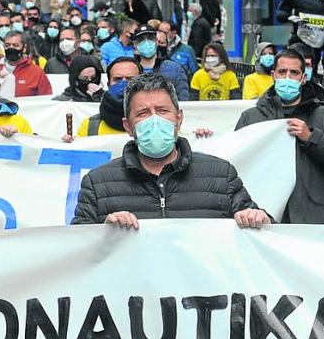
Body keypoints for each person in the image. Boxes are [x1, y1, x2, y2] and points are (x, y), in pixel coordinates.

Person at [71, 73, 272, 229]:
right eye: (142, 113)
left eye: (162, 110)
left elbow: (263, 235)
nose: (154, 120)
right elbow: (77, 248)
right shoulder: (97, 184)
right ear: (128, 126)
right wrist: (104, 232)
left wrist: (260, 218)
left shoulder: (221, 175)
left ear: (179, 118)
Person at [236, 49, 324, 224]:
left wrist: (312, 138)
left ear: (303, 77)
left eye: (294, 73)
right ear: (273, 75)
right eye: (282, 72)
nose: (287, 77)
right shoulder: (251, 117)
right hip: (261, 214)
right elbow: (235, 165)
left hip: (311, 214)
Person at [72, 57, 141, 140]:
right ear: (108, 85)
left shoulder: (155, 124)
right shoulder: (90, 126)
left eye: (131, 79)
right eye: (117, 79)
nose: (124, 84)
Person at [131, 28, 189, 101]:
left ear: (156, 41)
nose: (146, 42)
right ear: (135, 44)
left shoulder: (174, 69)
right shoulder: (130, 70)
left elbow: (183, 99)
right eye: (141, 40)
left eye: (150, 38)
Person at [0, 29, 52, 97]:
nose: (11, 48)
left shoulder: (37, 72)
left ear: (24, 48)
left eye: (15, 45)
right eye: (7, 45)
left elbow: (47, 99)